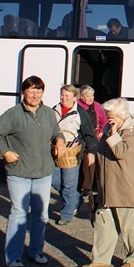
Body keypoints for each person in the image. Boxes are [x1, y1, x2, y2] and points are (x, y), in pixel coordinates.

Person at [0, 76, 66, 267]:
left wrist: (60, 140)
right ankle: (13, 257)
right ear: (24, 92)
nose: (35, 95)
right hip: (19, 172)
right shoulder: (13, 114)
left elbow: (56, 132)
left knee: (40, 214)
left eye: (39, 91)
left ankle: (36, 251)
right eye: (31, 90)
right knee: (19, 213)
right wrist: (5, 152)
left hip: (43, 171)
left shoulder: (48, 113)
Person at [81, 98, 134, 267]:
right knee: (104, 225)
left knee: (129, 227)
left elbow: (120, 152)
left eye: (111, 115)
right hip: (106, 187)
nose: (108, 118)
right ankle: (101, 261)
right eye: (107, 115)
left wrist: (114, 133)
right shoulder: (110, 128)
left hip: (125, 187)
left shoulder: (132, 131)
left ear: (121, 115)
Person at [51, 85, 98, 226]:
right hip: (55, 152)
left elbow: (89, 134)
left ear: (75, 98)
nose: (64, 98)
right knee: (55, 180)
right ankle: (76, 199)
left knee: (69, 184)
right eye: (62, 95)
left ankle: (66, 213)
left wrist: (91, 151)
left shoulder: (80, 113)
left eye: (67, 96)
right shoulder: (53, 110)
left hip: (73, 153)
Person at [77, 85, 108, 196]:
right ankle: (79, 184)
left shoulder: (97, 106)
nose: (91, 98)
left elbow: (104, 121)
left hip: (92, 138)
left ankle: (87, 187)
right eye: (88, 96)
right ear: (81, 97)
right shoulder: (77, 106)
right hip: (79, 137)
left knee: (90, 161)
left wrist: (100, 131)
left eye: (92, 95)